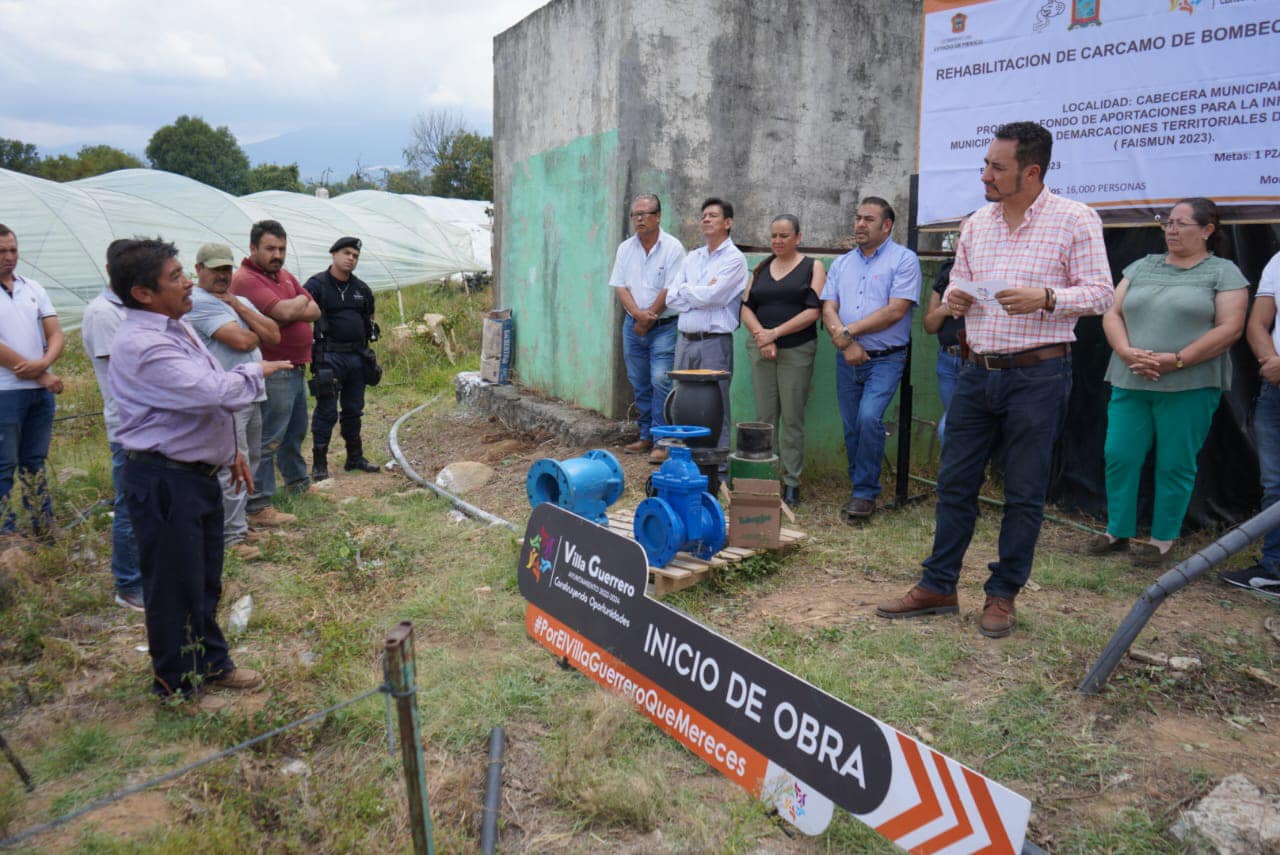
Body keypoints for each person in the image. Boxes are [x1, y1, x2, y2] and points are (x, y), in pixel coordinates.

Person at [877, 121, 1114, 639]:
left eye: (996, 167)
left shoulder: (1075, 220)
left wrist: (1047, 298)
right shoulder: (977, 223)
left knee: (1024, 492)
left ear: (1030, 172)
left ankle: (1002, 595)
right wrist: (957, 296)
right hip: (975, 371)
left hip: (1039, 374)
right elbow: (960, 280)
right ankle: (938, 585)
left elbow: (1101, 295)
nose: (985, 174)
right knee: (954, 483)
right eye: (985, 164)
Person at [107, 237, 291, 700]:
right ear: (142, 293)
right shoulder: (146, 344)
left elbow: (199, 405)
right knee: (172, 587)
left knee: (204, 579)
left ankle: (211, 662)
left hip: (195, 475)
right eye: (175, 277)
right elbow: (216, 391)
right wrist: (258, 372)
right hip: (165, 480)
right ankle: (175, 685)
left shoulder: (177, 326)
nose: (188, 281)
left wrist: (232, 453)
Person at [1091, 199, 1248, 567]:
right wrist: (1126, 351)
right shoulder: (1142, 266)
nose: (1171, 230)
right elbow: (1111, 312)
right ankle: (1117, 532)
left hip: (1189, 384)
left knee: (1175, 463)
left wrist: (1178, 360)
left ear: (1207, 230)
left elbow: (1230, 328)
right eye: (1167, 222)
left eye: (1181, 223)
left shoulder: (1223, 272)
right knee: (1119, 455)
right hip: (1131, 378)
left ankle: (1162, 539)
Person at [820, 197, 920, 521]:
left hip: (886, 358)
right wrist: (844, 340)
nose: (860, 224)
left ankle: (865, 493)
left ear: (886, 225)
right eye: (858, 218)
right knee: (852, 427)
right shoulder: (842, 264)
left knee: (868, 419)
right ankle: (859, 486)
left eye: (869, 219)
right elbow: (828, 308)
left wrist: (848, 332)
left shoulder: (904, 260)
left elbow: (896, 310)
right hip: (846, 358)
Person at [188, 243, 282, 561]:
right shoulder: (196, 303)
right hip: (227, 397)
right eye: (215, 269)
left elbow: (275, 335)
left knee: (249, 459)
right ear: (198, 269)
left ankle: (241, 521)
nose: (222, 276)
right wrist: (253, 327)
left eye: (227, 269)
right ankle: (232, 537)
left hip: (251, 393)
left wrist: (240, 309)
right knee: (232, 465)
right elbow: (245, 340)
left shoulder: (238, 301)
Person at [231, 220, 317, 528]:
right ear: (253, 248)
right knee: (268, 438)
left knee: (295, 432)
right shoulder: (245, 279)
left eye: (281, 248)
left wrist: (291, 306)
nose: (277, 254)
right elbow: (284, 313)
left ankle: (297, 483)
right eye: (270, 248)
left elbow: (314, 309)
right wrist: (291, 307)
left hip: (295, 366)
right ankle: (258, 503)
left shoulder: (284, 276)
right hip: (273, 368)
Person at [740, 214, 826, 506]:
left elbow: (813, 310)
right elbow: (746, 307)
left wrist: (774, 333)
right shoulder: (761, 267)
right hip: (762, 350)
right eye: (774, 236)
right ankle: (765, 479)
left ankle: (791, 482)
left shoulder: (812, 267)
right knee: (764, 418)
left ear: (798, 237)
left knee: (792, 418)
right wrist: (761, 337)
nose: (777, 241)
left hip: (796, 350)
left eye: (784, 236)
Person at [81, 239, 143, 609]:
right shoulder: (103, 313)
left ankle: (143, 572)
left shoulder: (132, 308)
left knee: (145, 503)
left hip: (147, 425)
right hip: (127, 426)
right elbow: (126, 371)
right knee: (130, 505)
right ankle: (128, 583)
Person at [664, 197, 748, 464]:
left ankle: (718, 468)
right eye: (703, 216)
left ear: (728, 222)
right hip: (685, 341)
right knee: (681, 403)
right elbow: (670, 299)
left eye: (713, 215)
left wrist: (688, 291)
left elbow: (715, 297)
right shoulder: (693, 257)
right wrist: (696, 293)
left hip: (714, 342)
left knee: (716, 405)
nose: (706, 220)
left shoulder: (735, 259)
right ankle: (685, 462)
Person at [610, 194, 685, 464]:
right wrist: (638, 316)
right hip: (633, 325)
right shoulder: (625, 249)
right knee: (639, 382)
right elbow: (620, 286)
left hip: (664, 325)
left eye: (645, 213)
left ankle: (662, 441)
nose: (639, 219)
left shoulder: (673, 248)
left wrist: (649, 318)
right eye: (635, 214)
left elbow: (671, 288)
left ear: (658, 216)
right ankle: (645, 435)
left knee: (660, 380)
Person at [0, 224, 64, 539]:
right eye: (2, 252)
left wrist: (45, 361)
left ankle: (42, 525)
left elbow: (54, 331)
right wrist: (43, 374)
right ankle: (6, 535)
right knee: (3, 465)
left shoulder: (32, 288)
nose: (9, 257)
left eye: (13, 250)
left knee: (34, 462)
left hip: (38, 393)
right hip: (5, 392)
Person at [304, 236, 382, 478]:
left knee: (353, 409)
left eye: (355, 255)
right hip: (329, 356)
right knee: (326, 410)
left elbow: (370, 321)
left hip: (357, 357)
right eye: (347, 253)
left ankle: (354, 457)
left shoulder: (361, 289)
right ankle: (319, 464)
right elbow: (301, 315)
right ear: (334, 254)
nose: (351, 258)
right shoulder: (317, 285)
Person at [1229, 249, 1280, 599]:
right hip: (1275, 387)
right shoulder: (1277, 259)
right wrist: (1271, 361)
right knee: (1275, 483)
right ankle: (1274, 568)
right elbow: (1258, 324)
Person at [921, 217, 971, 448]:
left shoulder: (996, 271)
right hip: (948, 360)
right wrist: (946, 309)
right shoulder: (946, 271)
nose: (961, 240)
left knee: (950, 428)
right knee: (954, 425)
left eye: (968, 234)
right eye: (958, 235)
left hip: (977, 362)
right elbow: (930, 325)